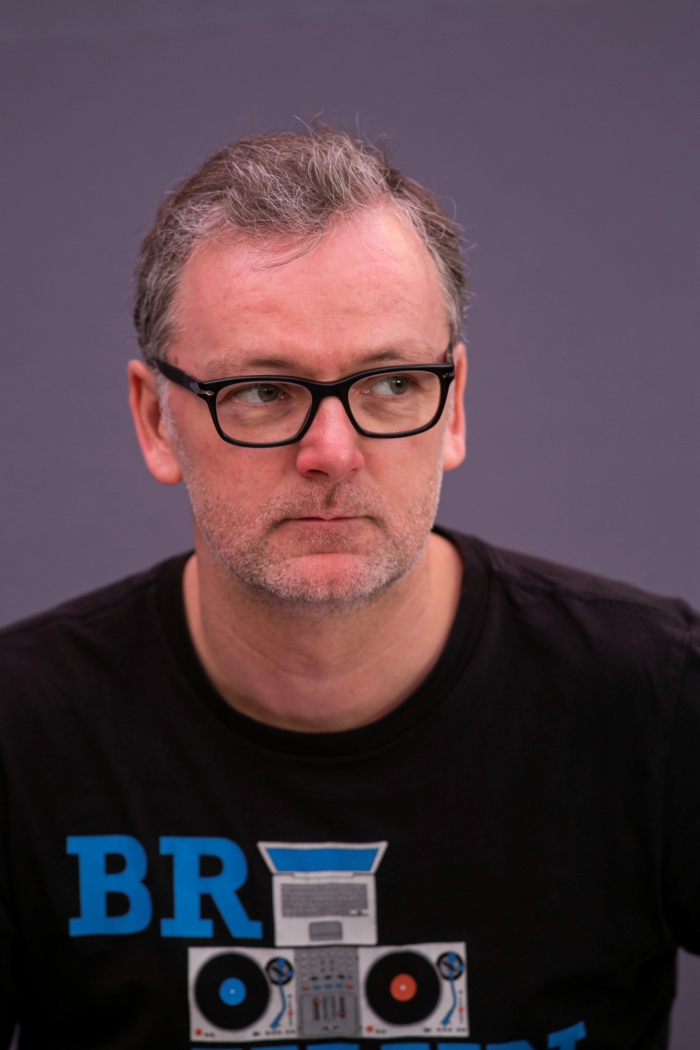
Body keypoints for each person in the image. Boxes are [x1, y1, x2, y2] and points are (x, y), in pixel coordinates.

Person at [0, 128, 697, 1050]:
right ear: (156, 420)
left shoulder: (655, 701)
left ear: (453, 406)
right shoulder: (21, 731)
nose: (332, 452)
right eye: (262, 392)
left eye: (392, 383)